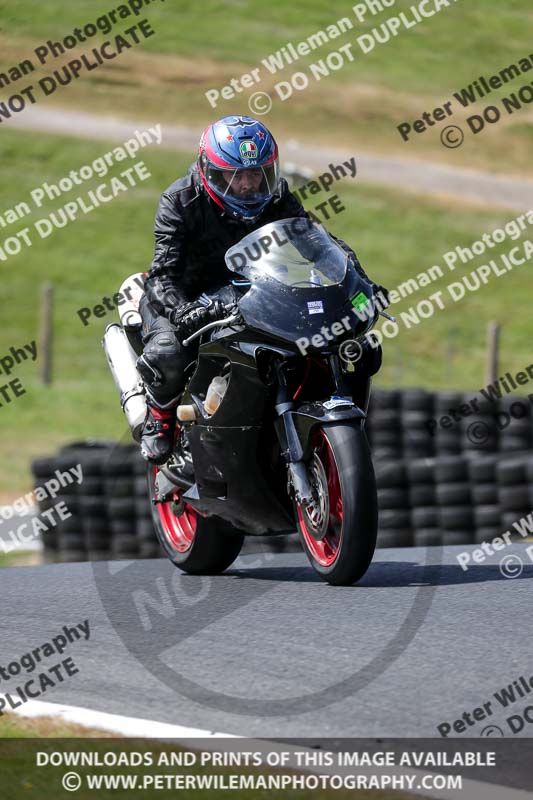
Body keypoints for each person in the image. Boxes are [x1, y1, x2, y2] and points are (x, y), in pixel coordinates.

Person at [138, 114, 388, 464]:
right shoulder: (179, 200)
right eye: (235, 175)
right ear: (211, 171)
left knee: (330, 338)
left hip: (250, 291)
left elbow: (316, 243)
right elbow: (163, 274)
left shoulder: (276, 197)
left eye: (256, 174)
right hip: (186, 296)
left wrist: (359, 282)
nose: (247, 185)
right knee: (167, 351)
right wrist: (182, 310)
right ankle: (160, 420)